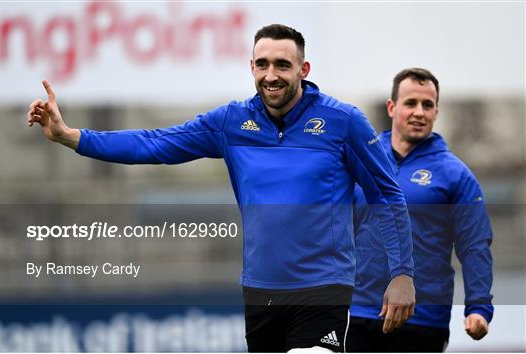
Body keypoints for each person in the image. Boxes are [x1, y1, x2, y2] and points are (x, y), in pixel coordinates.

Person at [28, 24, 415, 353]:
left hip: (323, 288)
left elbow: (387, 194)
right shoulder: (231, 122)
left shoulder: (343, 121)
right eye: (262, 64)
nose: (271, 74)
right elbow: (154, 143)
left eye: (283, 64)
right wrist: (71, 137)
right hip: (259, 290)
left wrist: (401, 274)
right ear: (251, 67)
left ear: (304, 68)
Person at [347, 68, 494, 352]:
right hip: (359, 314)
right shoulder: (360, 162)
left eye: (427, 105)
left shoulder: (455, 175)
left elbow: (474, 244)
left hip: (423, 321)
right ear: (392, 107)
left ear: (436, 111)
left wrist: (478, 308)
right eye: (410, 103)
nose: (419, 112)